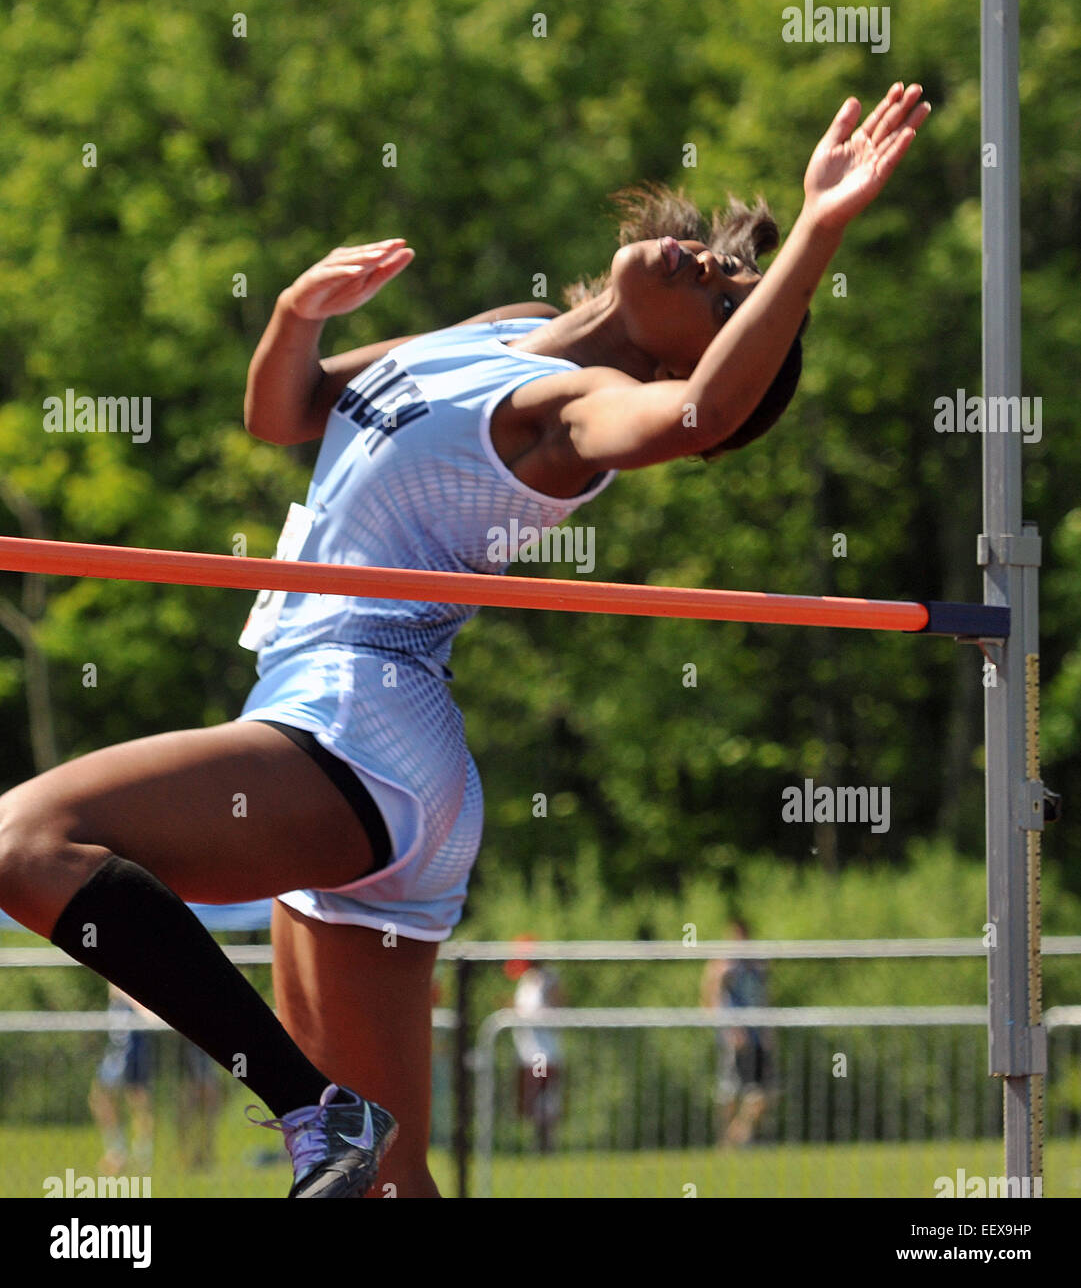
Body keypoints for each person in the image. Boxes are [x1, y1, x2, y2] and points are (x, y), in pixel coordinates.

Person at [0, 85, 930, 1198]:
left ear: (688, 361)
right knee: (392, 1187)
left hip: (358, 727)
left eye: (728, 294)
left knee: (25, 839)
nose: (708, 266)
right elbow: (284, 414)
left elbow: (702, 421)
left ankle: (308, 1106)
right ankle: (332, 1120)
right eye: (723, 260)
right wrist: (298, 312)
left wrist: (820, 230)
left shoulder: (573, 412)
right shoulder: (494, 330)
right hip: (364, 747)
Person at [701, 920, 774, 1145]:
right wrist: (727, 1028)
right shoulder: (723, 965)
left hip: (757, 1037)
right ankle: (726, 1142)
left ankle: (735, 1139)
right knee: (729, 1093)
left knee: (762, 1094)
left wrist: (769, 1030)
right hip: (734, 1038)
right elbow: (709, 994)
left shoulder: (757, 964)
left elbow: (765, 998)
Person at [89, 985, 155, 1175]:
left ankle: (137, 1155)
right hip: (121, 1031)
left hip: (130, 1034)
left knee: (137, 1097)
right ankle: (119, 1152)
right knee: (105, 1096)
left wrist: (141, 1010)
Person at [506, 941, 564, 1153]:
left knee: (545, 1099)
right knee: (530, 1099)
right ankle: (535, 1143)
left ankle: (546, 1144)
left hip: (544, 1052)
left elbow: (556, 1006)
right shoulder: (526, 982)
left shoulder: (549, 980)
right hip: (527, 1051)